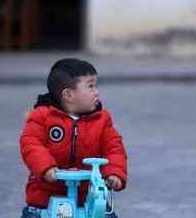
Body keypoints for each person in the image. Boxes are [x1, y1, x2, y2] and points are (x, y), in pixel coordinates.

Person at [19, 58, 128, 218]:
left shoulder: (101, 120)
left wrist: (114, 172)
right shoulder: (42, 117)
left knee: (105, 213)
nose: (96, 91)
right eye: (90, 86)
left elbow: (114, 147)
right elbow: (31, 144)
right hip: (45, 196)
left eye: (95, 86)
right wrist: (46, 167)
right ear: (68, 94)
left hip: (88, 196)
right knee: (34, 214)